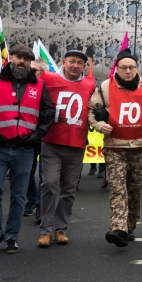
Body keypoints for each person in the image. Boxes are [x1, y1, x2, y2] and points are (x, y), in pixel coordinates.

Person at [0, 44, 54, 254]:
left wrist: (37, 135)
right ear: (10, 57)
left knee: (19, 195)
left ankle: (12, 236)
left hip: (24, 148)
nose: (21, 61)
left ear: (30, 62)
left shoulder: (39, 85)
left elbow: (48, 113)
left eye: (26, 58)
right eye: (18, 57)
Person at [88, 48, 142, 248]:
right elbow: (91, 110)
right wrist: (100, 125)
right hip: (114, 148)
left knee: (134, 190)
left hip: (140, 147)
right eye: (123, 67)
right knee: (118, 189)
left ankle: (130, 225)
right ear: (116, 68)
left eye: (131, 67)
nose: (128, 71)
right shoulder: (105, 87)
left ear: (137, 68)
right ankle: (118, 228)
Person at [37, 49, 95, 247]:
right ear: (63, 61)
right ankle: (45, 229)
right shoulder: (48, 78)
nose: (75, 65)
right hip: (51, 142)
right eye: (72, 61)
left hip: (76, 144)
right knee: (50, 184)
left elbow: (97, 106)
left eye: (80, 63)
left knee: (69, 189)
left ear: (84, 67)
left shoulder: (90, 84)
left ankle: (61, 229)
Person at [24, 58, 49, 220]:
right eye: (29, 70)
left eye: (34, 70)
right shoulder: (22, 87)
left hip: (45, 137)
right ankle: (32, 200)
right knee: (26, 173)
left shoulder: (49, 89)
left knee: (44, 176)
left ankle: (40, 206)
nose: (30, 73)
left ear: (42, 73)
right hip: (27, 138)